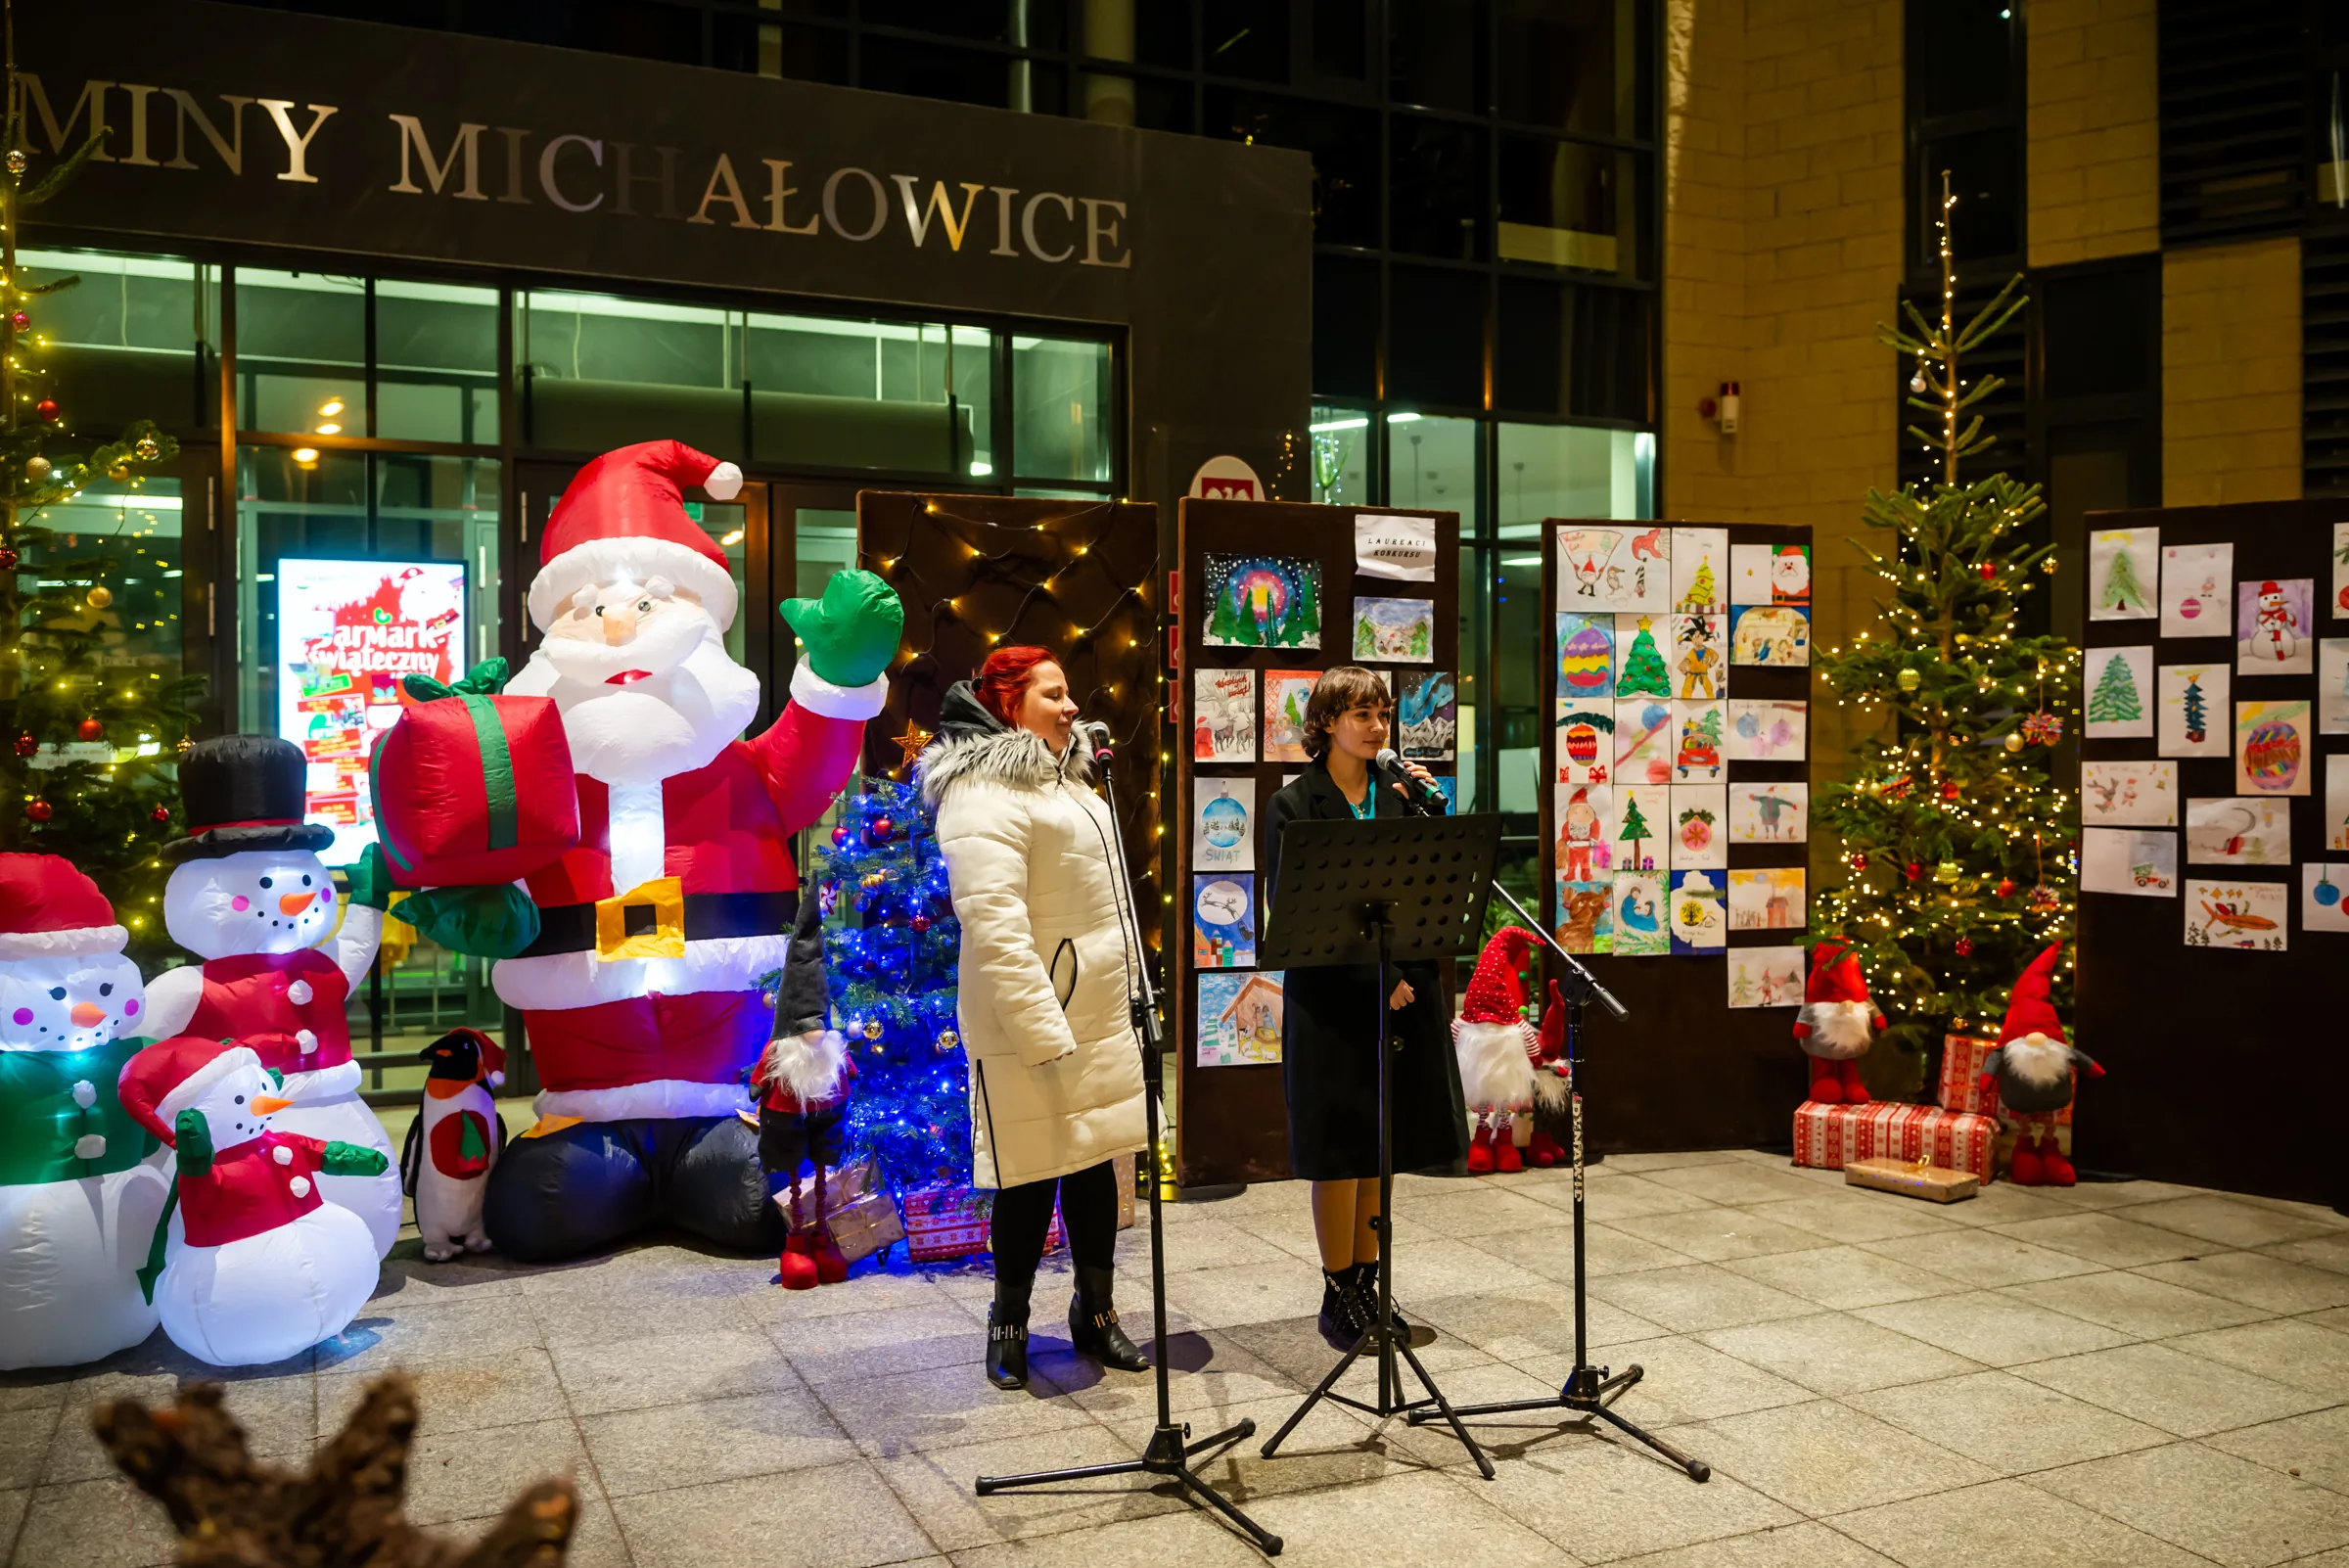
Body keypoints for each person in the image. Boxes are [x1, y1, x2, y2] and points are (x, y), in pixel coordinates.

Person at [918, 646, 1150, 1390]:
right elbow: (995, 926)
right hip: (1032, 1022)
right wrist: (1044, 1027)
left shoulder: (1076, 783)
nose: (1073, 707)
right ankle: (1009, 1324)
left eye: (1070, 693)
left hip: (1098, 1011)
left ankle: (1098, 1312)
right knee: (1025, 1178)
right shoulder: (981, 792)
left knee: (1092, 1166)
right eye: (1055, 695)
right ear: (1011, 705)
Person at [1266, 666, 1467, 1347]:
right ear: (1325, 723)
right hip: (1332, 999)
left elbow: (1427, 891)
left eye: (1383, 714)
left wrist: (1404, 973)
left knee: (1383, 1147)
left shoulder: (1404, 795)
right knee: (1339, 1151)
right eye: (1362, 714)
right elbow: (1301, 912)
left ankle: (1369, 1283)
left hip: (1403, 994)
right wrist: (1375, 978)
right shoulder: (1294, 805)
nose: (1377, 727)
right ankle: (1337, 1291)